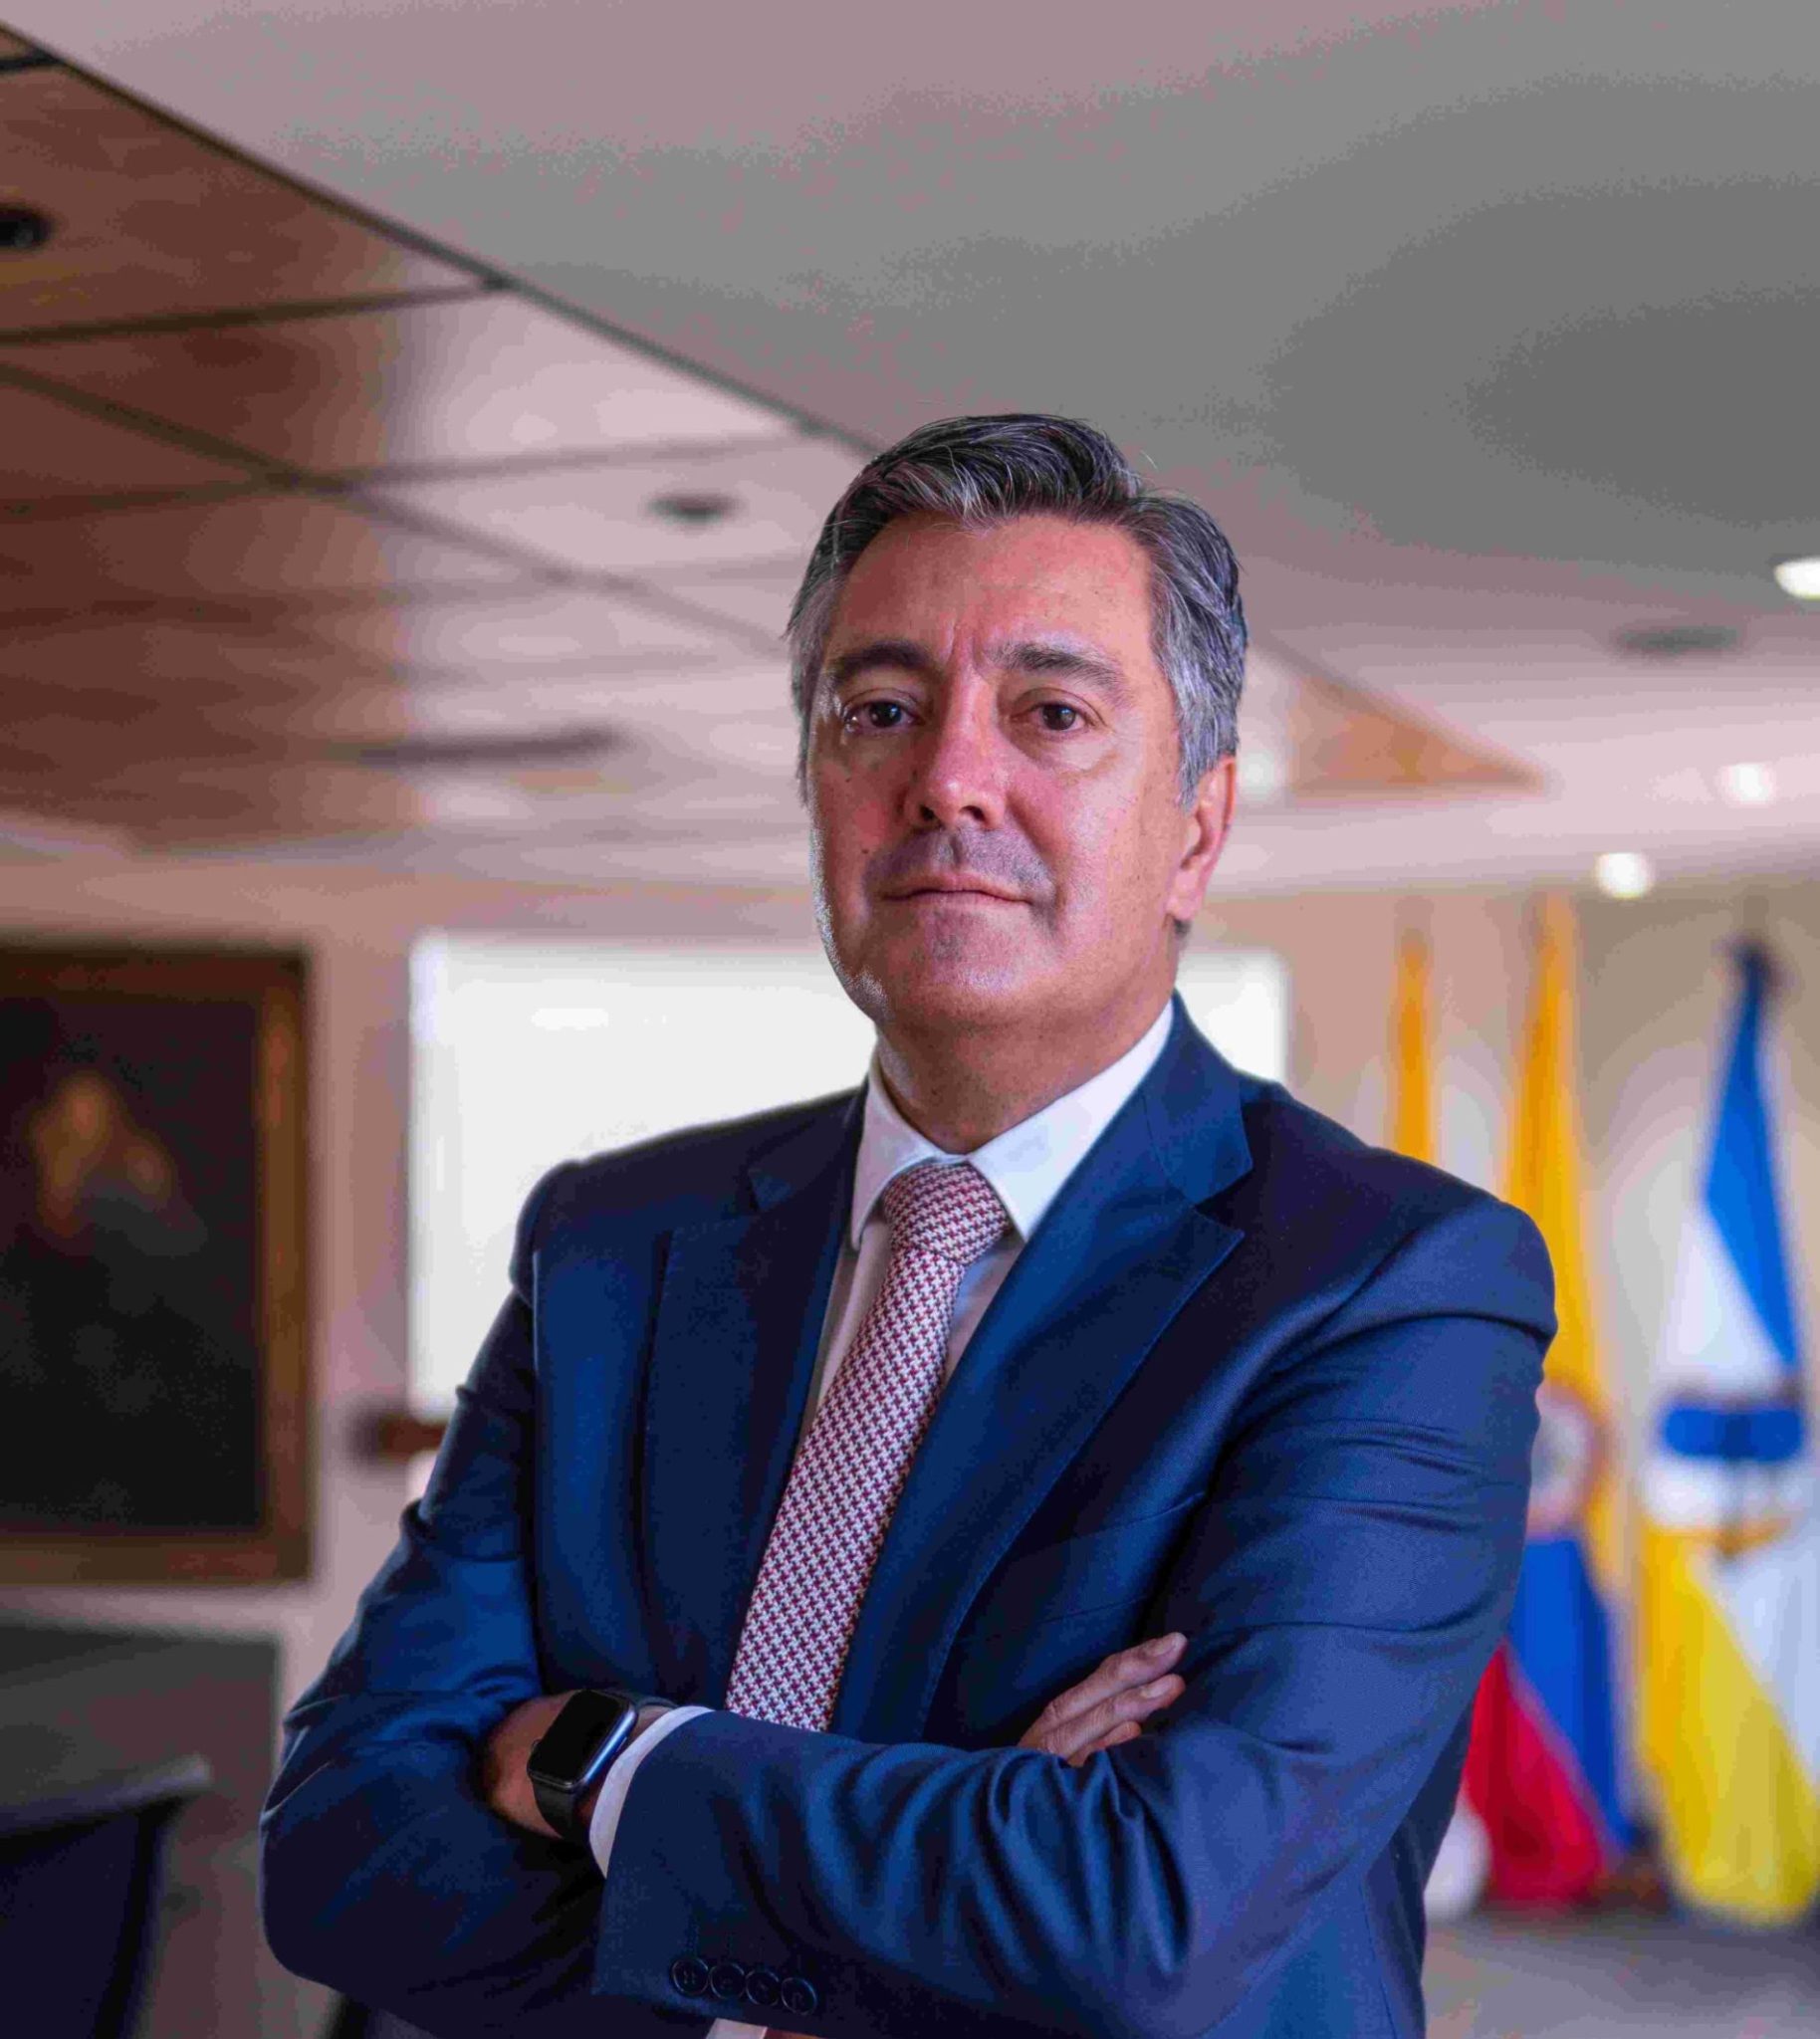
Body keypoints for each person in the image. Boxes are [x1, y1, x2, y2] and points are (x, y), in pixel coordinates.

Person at [261, 414, 1554, 2039]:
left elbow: (1150, 1923)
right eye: (878, 711)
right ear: (816, 784)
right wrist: (954, 1873)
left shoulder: (1391, 1286)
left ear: (1197, 828)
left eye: (1052, 714)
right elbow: (341, 1857)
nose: (946, 779)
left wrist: (603, 1757)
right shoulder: (610, 1248)